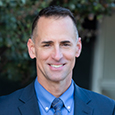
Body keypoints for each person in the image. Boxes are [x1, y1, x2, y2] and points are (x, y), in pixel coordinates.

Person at [0, 6, 115, 115]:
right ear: (32, 49)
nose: (57, 56)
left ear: (78, 48)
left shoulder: (108, 109)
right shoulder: (3, 109)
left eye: (65, 44)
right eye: (47, 45)